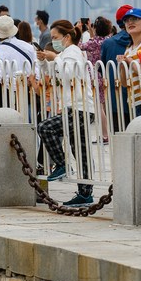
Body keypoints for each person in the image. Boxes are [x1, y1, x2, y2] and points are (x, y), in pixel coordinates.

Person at [36, 20, 96, 207]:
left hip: (80, 108)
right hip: (74, 107)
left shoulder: (73, 53)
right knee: (81, 151)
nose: (53, 41)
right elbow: (54, 75)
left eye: (55, 37)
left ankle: (61, 164)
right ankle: (85, 193)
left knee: (46, 127)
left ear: (67, 37)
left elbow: (68, 72)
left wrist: (55, 58)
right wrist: (44, 61)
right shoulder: (64, 54)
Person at [100, 5, 133, 132]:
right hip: (137, 98)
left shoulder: (108, 43)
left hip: (115, 100)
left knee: (118, 138)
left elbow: (102, 69)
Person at [81, 16, 113, 143]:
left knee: (99, 108)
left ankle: (105, 135)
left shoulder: (93, 42)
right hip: (105, 75)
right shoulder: (108, 40)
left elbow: (79, 46)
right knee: (104, 107)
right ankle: (107, 133)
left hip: (94, 77)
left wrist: (79, 30)